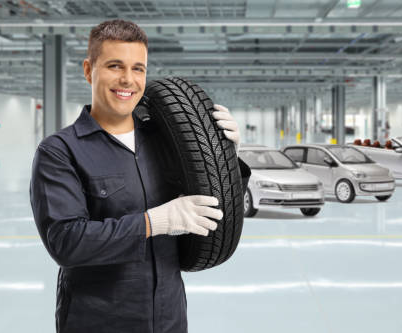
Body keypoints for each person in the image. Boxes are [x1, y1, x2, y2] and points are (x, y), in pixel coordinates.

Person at [29, 19, 248, 333]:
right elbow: (66, 243)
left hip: (169, 317)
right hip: (97, 322)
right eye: (115, 66)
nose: (127, 80)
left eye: (138, 68)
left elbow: (215, 215)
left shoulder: (166, 141)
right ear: (89, 70)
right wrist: (152, 223)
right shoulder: (59, 151)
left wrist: (222, 155)